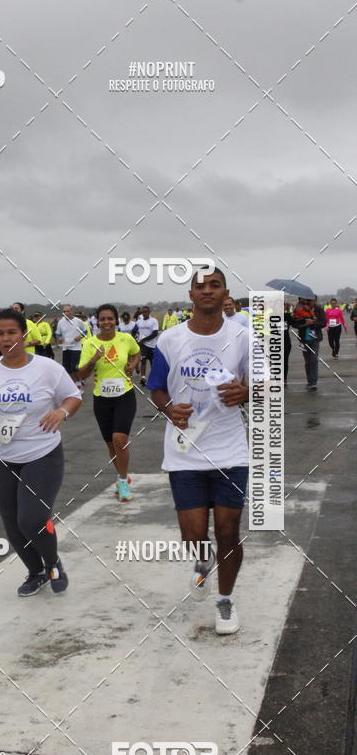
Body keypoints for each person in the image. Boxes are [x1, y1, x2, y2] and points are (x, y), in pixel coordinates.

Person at [148, 267, 250, 636]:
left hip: (230, 450)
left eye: (215, 285)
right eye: (200, 286)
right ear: (190, 294)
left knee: (227, 529)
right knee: (193, 535)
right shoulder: (170, 339)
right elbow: (156, 387)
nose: (207, 291)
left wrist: (248, 392)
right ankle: (202, 560)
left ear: (225, 293)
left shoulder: (242, 336)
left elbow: (264, 383)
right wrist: (168, 408)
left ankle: (224, 600)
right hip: (185, 450)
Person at [0, 308, 81, 596]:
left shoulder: (47, 368)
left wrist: (61, 412)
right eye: (0, 334)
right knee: (11, 522)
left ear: (24, 334)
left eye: (12, 332)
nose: (6, 339)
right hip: (2, 455)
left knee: (31, 519)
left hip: (42, 453)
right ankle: (36, 572)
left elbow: (73, 396)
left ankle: (53, 562)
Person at [76, 304, 140, 502]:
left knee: (120, 439)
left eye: (110, 318)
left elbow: (136, 353)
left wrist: (133, 364)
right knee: (111, 445)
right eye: (102, 319)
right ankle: (123, 475)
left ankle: (122, 482)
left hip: (125, 396)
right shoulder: (89, 343)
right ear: (97, 321)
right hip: (101, 399)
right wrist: (94, 359)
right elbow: (82, 373)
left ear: (116, 321)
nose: (106, 323)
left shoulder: (125, 339)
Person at [291, 296, 326, 390]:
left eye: (311, 300)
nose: (309, 302)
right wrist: (304, 323)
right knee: (307, 361)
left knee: (314, 359)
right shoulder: (299, 309)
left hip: (315, 339)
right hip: (303, 339)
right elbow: (294, 323)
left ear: (315, 301)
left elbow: (323, 322)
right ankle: (309, 381)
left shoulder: (319, 309)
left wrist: (312, 323)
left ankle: (314, 382)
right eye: (308, 300)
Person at [55, 305, 85, 373]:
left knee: (74, 367)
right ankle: (71, 382)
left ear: (72, 311)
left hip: (76, 347)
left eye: (68, 311)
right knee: (66, 368)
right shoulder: (61, 322)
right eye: (64, 311)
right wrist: (59, 339)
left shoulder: (78, 321)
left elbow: (85, 331)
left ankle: (79, 381)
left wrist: (80, 337)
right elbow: (57, 334)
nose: (66, 313)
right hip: (66, 347)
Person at [135, 305, 159, 386]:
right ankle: (143, 378)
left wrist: (144, 339)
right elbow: (134, 331)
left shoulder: (154, 321)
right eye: (143, 312)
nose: (144, 313)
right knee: (143, 361)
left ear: (149, 312)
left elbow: (155, 333)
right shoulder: (139, 322)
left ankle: (154, 378)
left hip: (152, 345)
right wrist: (135, 340)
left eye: (146, 312)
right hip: (143, 346)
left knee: (153, 363)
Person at [283, 303, 293, 386]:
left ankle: (284, 378)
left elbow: (294, 323)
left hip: (286, 341)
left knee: (285, 361)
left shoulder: (287, 316)